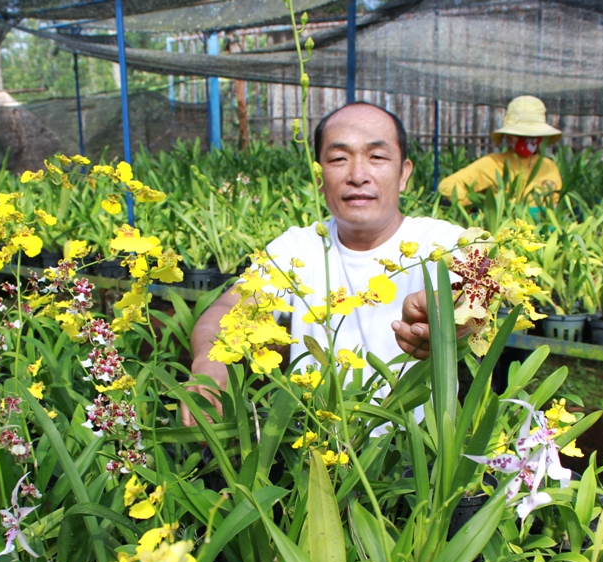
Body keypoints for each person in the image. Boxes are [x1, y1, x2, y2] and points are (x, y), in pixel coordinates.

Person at [182, 102, 465, 426]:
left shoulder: (438, 243)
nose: (358, 175)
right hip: (313, 445)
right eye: (338, 159)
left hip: (415, 454)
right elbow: (229, 306)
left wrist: (452, 315)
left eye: (377, 157)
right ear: (319, 175)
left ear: (403, 174)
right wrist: (210, 359)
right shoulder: (297, 248)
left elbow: (479, 290)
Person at [437, 95, 563, 208]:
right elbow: (447, 185)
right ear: (509, 137)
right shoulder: (493, 163)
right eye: (522, 136)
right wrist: (477, 206)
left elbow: (555, 202)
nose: (528, 141)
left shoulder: (549, 166)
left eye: (533, 136)